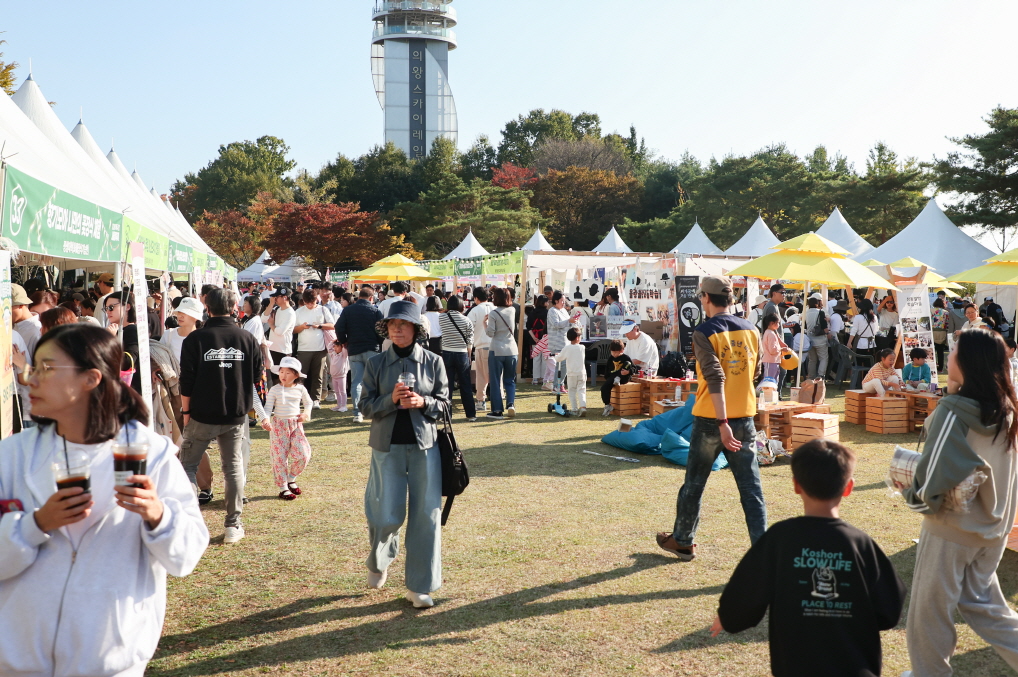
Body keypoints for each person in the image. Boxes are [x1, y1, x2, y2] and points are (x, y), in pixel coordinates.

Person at [0, 323, 208, 676]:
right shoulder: (12, 457)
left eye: (46, 369)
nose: (29, 379)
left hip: (110, 660)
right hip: (17, 662)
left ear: (91, 379)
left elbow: (186, 557)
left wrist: (158, 514)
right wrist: (35, 525)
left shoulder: (151, 456)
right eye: (32, 367)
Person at [711, 439, 906, 677]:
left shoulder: (779, 539)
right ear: (848, 487)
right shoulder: (861, 544)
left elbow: (744, 597)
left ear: (796, 485)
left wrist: (728, 615)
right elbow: (889, 611)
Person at [900, 329, 1018, 675]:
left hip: (951, 526)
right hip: (993, 527)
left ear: (967, 363)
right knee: (984, 605)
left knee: (929, 611)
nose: (948, 357)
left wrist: (913, 494)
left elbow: (933, 472)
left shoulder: (953, 410)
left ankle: (929, 673)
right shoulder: (1006, 409)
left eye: (953, 352)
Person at [657, 275, 764, 562]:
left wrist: (722, 422)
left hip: (712, 420)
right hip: (744, 417)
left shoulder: (704, 332)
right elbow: (756, 373)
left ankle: (682, 541)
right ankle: (764, 556)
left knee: (694, 483)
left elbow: (715, 376)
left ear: (705, 298)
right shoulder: (752, 329)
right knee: (751, 489)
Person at [360, 301, 450, 609]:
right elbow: (366, 405)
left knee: (427, 516)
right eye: (393, 323)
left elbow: (446, 406)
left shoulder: (434, 362)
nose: (398, 328)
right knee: (385, 512)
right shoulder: (375, 363)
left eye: (404, 323)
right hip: (386, 448)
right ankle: (378, 559)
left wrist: (422, 403)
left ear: (416, 329)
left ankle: (419, 585)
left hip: (426, 447)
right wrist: (390, 400)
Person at [178, 288, 265, 545]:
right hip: (235, 414)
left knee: (188, 467)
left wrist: (186, 412)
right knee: (233, 468)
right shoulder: (247, 338)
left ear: (207, 308)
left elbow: (187, 381)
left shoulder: (195, 340)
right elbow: (257, 376)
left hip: (201, 414)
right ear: (234, 308)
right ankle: (233, 524)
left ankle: (188, 523)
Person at [258, 356, 313, 501]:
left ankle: (291, 478)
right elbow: (268, 407)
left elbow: (308, 403)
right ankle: (283, 487)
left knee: (303, 454)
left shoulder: (300, 388)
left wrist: (305, 414)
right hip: (278, 426)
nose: (284, 375)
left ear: (296, 375)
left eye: (288, 373)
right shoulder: (275, 389)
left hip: (295, 425)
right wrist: (265, 420)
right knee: (280, 457)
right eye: (282, 372)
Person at [337, 287, 384, 423]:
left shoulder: (348, 310)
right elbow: (381, 331)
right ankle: (374, 409)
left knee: (356, 382)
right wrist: (378, 343)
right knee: (373, 381)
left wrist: (344, 341)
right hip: (372, 348)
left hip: (354, 349)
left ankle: (358, 413)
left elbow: (339, 327)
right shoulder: (376, 311)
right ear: (371, 298)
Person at [293, 288, 335, 409]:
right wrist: (302, 327)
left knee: (318, 375)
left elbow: (332, 325)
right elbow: (293, 330)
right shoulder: (299, 312)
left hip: (320, 348)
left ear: (317, 300)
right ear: (304, 301)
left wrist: (320, 326)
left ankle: (315, 399)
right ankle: (300, 398)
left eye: (312, 302)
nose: (310, 305)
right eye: (307, 302)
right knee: (301, 375)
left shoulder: (323, 309)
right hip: (303, 348)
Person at [439, 295, 476, 422]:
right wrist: (469, 356)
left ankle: (446, 415)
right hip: (462, 353)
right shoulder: (466, 320)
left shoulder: (442, 318)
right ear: (461, 305)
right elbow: (470, 341)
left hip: (447, 352)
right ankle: (471, 414)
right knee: (465, 385)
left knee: (447, 385)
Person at [484, 287, 518, 420]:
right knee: (510, 380)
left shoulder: (493, 313)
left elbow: (490, 333)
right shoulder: (513, 310)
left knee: (496, 381)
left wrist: (485, 323)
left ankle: (497, 410)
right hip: (512, 349)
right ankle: (510, 404)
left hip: (497, 349)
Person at [104, 289, 143, 395]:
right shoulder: (118, 330)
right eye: (106, 308)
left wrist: (110, 339)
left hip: (130, 389)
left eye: (111, 307)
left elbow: (128, 361)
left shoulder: (132, 330)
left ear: (127, 307)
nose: (108, 311)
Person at [466, 287, 494, 409]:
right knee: (496, 376)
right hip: (496, 346)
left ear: (476, 298)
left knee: (481, 376)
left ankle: (481, 401)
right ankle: (498, 401)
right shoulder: (495, 308)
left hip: (481, 346)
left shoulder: (474, 310)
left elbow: (468, 328)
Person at [160, 297, 205, 363]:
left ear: (195, 317)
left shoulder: (203, 338)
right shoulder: (168, 334)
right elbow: (159, 358)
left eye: (185, 313)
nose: (180, 316)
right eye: (179, 312)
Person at [266, 288, 296, 385]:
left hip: (283, 350)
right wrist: (271, 305)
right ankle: (277, 398)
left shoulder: (290, 313)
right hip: (273, 348)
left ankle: (285, 399)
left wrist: (271, 325)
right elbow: (263, 318)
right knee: (274, 378)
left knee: (283, 379)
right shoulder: (277, 309)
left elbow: (280, 331)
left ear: (284, 297)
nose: (275, 299)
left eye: (277, 297)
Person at [555, 327, 588, 416]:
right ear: (577, 337)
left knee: (572, 391)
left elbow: (559, 358)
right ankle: (583, 406)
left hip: (571, 374)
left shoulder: (567, 348)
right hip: (582, 373)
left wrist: (556, 355)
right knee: (582, 390)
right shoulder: (582, 347)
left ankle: (574, 409)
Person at [600, 339, 634, 416]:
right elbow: (607, 370)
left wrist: (628, 372)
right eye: (613, 352)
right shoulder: (610, 358)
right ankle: (608, 405)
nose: (614, 354)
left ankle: (618, 378)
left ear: (621, 350)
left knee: (627, 363)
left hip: (623, 378)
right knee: (604, 388)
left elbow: (634, 368)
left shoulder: (626, 357)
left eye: (616, 352)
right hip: (613, 378)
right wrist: (608, 379)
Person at [803, 296, 830, 381]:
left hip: (809, 339)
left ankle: (811, 377)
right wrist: (828, 333)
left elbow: (805, 326)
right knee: (823, 358)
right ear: (816, 304)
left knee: (812, 360)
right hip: (820, 339)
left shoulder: (805, 313)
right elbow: (824, 328)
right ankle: (820, 376)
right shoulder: (820, 312)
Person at [12, 283, 42, 358]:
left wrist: (23, 364)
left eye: (7, 307)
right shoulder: (11, 326)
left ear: (21, 304)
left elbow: (43, 367)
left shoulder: (37, 331)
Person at [527, 295, 549, 385]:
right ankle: (544, 378)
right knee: (545, 357)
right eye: (547, 302)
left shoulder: (532, 313)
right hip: (545, 338)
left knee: (536, 358)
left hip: (534, 338)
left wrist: (534, 338)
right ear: (544, 303)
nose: (548, 303)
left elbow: (528, 327)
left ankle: (535, 378)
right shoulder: (548, 313)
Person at [760, 314, 786, 384]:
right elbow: (772, 350)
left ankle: (768, 393)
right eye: (778, 323)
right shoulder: (770, 334)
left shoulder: (770, 332)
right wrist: (781, 349)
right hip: (770, 360)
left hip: (773, 360)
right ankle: (760, 392)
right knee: (768, 381)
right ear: (772, 323)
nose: (779, 325)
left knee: (772, 381)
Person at [328, 339, 351, 413]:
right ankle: (339, 405)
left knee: (342, 391)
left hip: (341, 376)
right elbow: (329, 347)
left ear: (341, 347)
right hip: (334, 376)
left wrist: (343, 344)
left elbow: (345, 349)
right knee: (337, 391)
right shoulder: (333, 354)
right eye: (334, 346)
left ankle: (344, 406)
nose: (335, 348)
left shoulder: (344, 355)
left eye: (337, 346)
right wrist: (333, 342)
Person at [932, 298, 951, 371]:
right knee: (940, 351)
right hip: (942, 332)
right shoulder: (946, 312)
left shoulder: (930, 311)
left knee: (932, 350)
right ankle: (940, 367)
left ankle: (932, 366)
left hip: (932, 332)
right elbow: (947, 323)